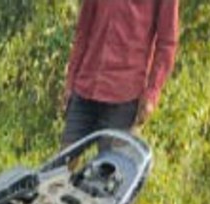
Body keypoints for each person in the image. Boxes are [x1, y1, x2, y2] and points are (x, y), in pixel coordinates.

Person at [61, 0, 180, 147]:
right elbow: (83, 29)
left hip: (124, 96)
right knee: (64, 161)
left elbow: (167, 43)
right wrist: (70, 80)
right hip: (86, 85)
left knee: (111, 166)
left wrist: (151, 93)